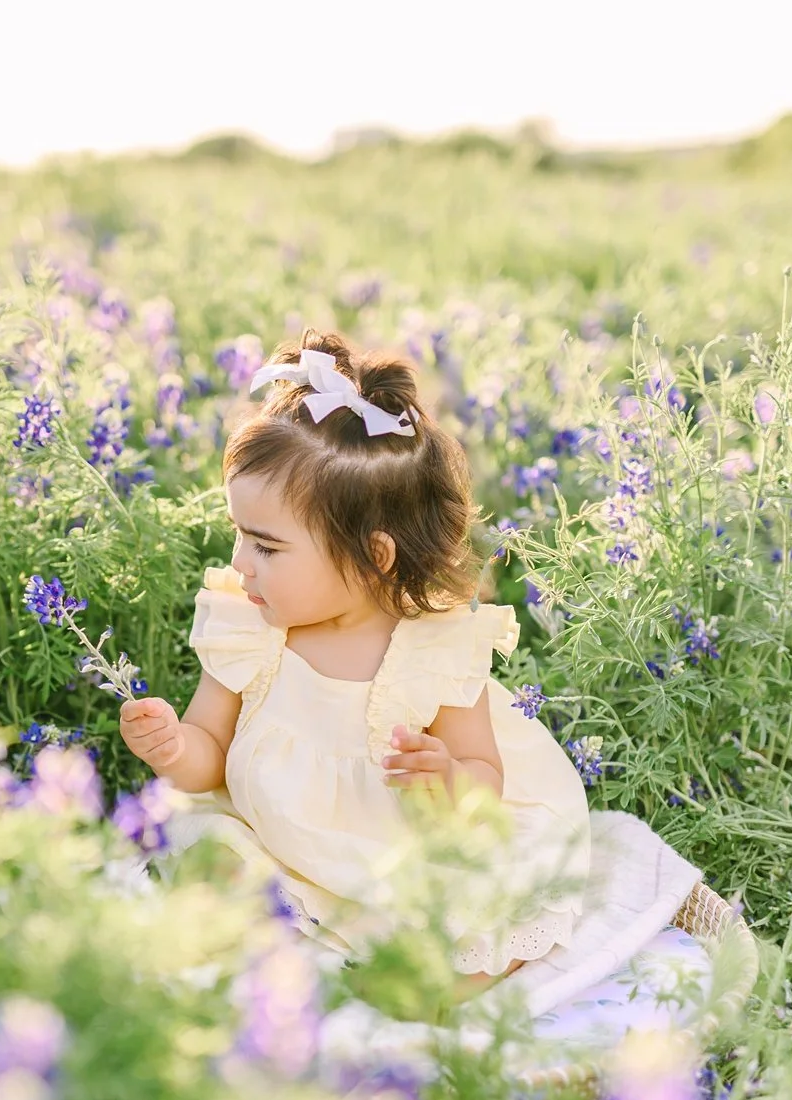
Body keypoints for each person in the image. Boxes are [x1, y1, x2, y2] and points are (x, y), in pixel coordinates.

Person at [119, 329, 592, 993]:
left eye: (266, 547)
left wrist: (449, 778)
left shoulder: (434, 646)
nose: (237, 564)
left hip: (399, 863)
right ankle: (301, 965)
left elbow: (484, 770)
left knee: (474, 925)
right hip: (275, 845)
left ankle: (393, 983)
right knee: (208, 862)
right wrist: (171, 747)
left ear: (374, 556)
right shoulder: (251, 629)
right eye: (238, 535)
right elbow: (208, 755)